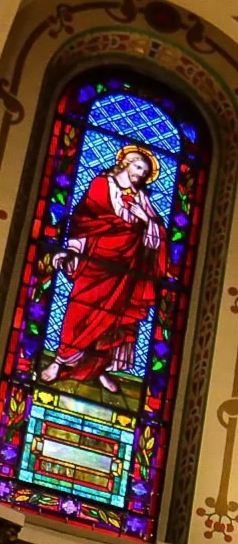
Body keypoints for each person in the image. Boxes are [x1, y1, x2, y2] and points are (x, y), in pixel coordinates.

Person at [40, 144, 168, 394]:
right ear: (125, 163)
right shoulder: (102, 185)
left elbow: (156, 237)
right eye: (138, 167)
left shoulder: (142, 198)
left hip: (127, 268)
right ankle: (60, 360)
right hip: (96, 261)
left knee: (114, 321)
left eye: (145, 171)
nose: (141, 174)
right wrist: (72, 250)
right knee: (80, 309)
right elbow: (84, 219)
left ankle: (98, 369)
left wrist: (144, 218)